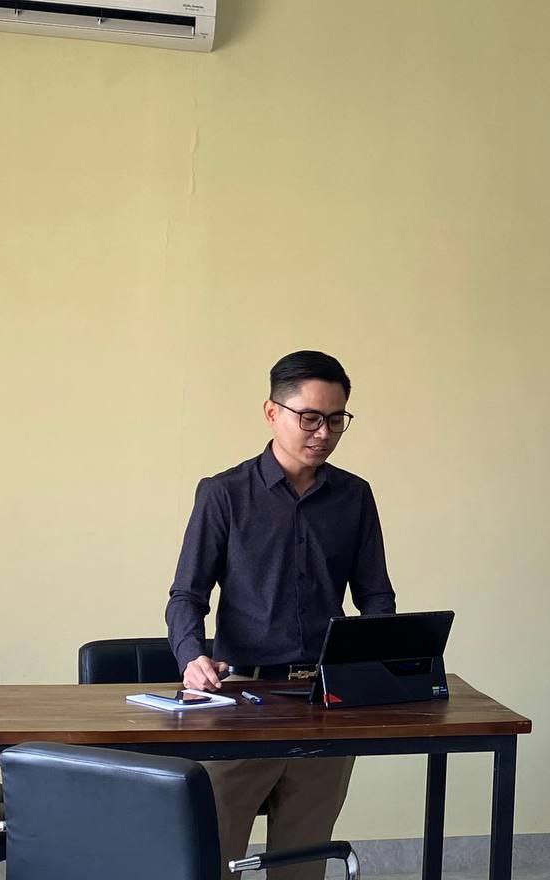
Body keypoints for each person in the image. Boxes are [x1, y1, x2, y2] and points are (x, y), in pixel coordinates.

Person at [166, 350, 396, 880]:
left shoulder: (354, 497)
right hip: (239, 701)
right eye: (309, 417)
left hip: (325, 700)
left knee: (303, 861)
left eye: (336, 419)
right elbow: (186, 595)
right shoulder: (224, 494)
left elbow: (376, 596)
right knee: (215, 857)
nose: (324, 432)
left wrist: (375, 662)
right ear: (272, 413)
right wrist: (191, 657)